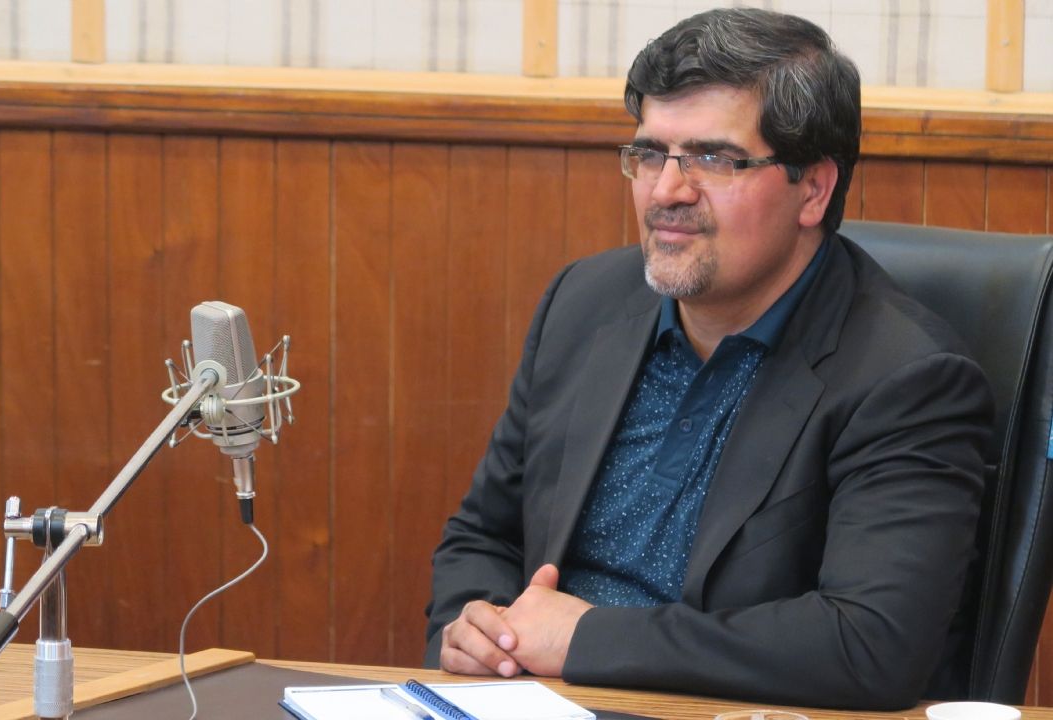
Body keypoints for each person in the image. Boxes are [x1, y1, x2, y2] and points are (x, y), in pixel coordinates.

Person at [424, 7, 993, 711]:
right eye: (650, 154)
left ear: (813, 189)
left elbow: (870, 643)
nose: (667, 191)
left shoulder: (906, 377)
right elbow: (483, 535)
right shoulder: (583, 304)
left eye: (714, 159)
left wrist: (589, 640)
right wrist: (477, 631)